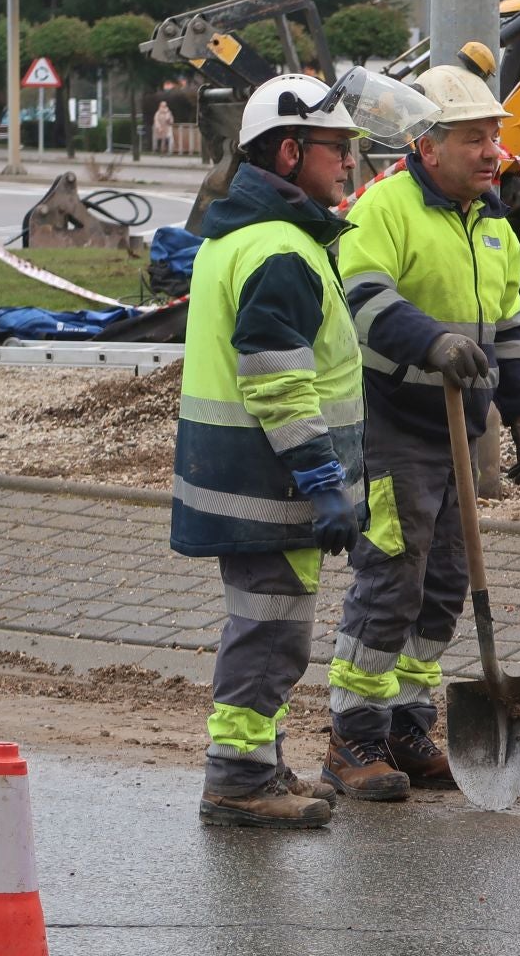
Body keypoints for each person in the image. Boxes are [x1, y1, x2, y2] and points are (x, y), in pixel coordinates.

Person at [324, 61, 520, 800]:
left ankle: (407, 723)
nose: (493, 154)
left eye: (496, 140)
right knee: (393, 576)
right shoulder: (384, 209)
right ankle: (352, 735)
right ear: (428, 147)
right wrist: (432, 341)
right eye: (475, 139)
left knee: (445, 582)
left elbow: (509, 326)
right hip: (391, 424)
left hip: (461, 430)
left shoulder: (493, 224)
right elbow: (363, 298)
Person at [170, 72, 368, 829]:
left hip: (245, 479)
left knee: (268, 628)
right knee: (269, 636)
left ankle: (258, 766)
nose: (348, 161)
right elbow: (278, 383)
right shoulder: (281, 249)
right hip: (271, 486)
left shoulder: (245, 236)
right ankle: (237, 782)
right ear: (290, 153)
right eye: (336, 147)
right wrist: (323, 484)